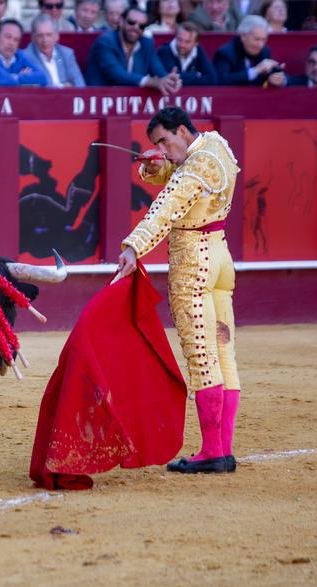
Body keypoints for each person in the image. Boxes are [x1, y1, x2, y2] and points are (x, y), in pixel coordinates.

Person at [114, 106, 241, 475]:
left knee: (202, 356)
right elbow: (185, 178)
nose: (162, 149)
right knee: (224, 354)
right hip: (220, 256)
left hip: (193, 264)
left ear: (182, 130)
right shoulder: (215, 145)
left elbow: (166, 207)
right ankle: (222, 449)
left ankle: (213, 451)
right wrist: (157, 167)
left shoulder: (195, 166)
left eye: (164, 141)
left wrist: (133, 247)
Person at [85, 6, 181, 94]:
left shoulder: (146, 44)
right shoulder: (106, 42)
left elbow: (158, 70)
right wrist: (150, 81)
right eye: (131, 22)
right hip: (99, 100)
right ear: (121, 21)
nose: (135, 27)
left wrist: (169, 80)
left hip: (132, 101)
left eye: (141, 26)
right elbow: (117, 74)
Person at [213, 15, 286, 86]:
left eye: (264, 39)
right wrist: (255, 71)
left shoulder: (264, 51)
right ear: (243, 36)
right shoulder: (225, 53)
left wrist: (277, 77)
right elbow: (220, 81)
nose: (260, 45)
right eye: (256, 39)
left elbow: (267, 79)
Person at [23, 13, 86, 88]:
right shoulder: (25, 58)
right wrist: (63, 86)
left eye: (49, 35)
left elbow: (80, 85)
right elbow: (36, 90)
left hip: (68, 96)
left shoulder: (67, 54)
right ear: (33, 37)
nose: (45, 40)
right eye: (40, 35)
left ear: (56, 36)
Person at [156, 21, 217, 85]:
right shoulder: (164, 51)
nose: (182, 45)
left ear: (196, 43)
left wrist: (181, 77)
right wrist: (195, 74)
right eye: (180, 39)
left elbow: (212, 79)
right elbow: (171, 79)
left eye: (187, 42)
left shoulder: (198, 50)